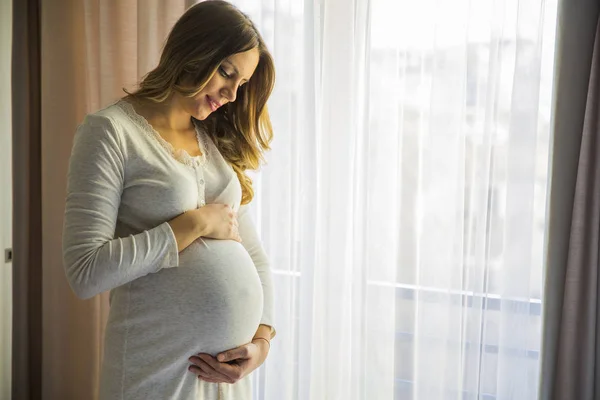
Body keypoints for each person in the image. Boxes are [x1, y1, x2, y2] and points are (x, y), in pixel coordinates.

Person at [61, 1, 276, 399]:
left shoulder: (213, 140)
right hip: (154, 372)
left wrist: (261, 340)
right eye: (226, 72)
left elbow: (253, 252)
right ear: (192, 51)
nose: (231, 94)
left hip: (224, 380)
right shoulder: (111, 132)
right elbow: (85, 271)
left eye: (241, 84)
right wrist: (191, 226)